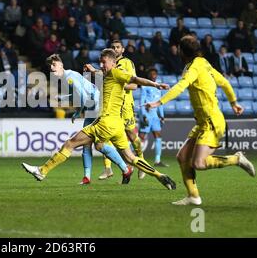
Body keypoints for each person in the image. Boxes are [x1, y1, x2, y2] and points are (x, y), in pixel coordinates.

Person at [22, 49, 176, 191]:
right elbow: (102, 77)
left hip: (105, 123)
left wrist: (155, 84)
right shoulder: (108, 75)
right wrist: (94, 71)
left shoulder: (116, 73)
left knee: (71, 143)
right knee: (128, 156)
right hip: (117, 125)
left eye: (104, 62)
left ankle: (42, 171)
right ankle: (160, 176)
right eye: (100, 62)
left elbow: (135, 79)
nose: (101, 65)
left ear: (113, 63)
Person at [145, 36, 255, 206]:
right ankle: (193, 196)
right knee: (182, 157)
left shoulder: (195, 67)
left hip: (211, 121)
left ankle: (236, 159)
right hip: (204, 122)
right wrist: (233, 103)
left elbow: (181, 86)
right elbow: (225, 82)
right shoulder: (203, 63)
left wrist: (158, 102)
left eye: (179, 49)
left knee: (198, 163)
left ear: (183, 51)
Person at [45, 54, 132, 185]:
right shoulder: (67, 76)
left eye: (54, 65)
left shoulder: (69, 78)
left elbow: (83, 98)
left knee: (97, 144)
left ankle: (124, 169)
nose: (51, 68)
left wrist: (78, 111)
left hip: (97, 107)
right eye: (50, 66)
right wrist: (62, 99)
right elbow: (77, 95)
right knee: (88, 144)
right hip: (93, 107)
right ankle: (88, 177)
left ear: (61, 65)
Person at [102, 40, 147, 180]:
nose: (115, 49)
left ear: (122, 50)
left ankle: (142, 161)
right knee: (105, 136)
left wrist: (117, 85)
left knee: (132, 137)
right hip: (112, 106)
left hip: (126, 106)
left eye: (118, 47)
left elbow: (134, 86)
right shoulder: (107, 66)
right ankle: (108, 168)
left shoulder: (127, 63)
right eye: (113, 47)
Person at [139, 68, 166, 167]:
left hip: (155, 116)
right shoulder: (144, 87)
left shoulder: (159, 87)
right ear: (149, 76)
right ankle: (132, 156)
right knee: (141, 137)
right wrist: (144, 115)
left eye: (155, 74)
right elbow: (142, 102)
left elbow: (161, 102)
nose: (154, 75)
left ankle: (157, 160)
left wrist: (162, 116)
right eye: (152, 74)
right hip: (147, 114)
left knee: (158, 136)